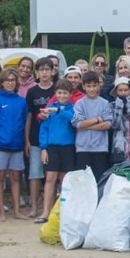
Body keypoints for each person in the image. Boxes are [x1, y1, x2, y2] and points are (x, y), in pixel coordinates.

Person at [0, 68, 28, 222]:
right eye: (7, 80)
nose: (10, 83)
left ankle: (17, 211)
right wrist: (0, 132)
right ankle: (1, 212)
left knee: (16, 177)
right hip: (0, 145)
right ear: (2, 82)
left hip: (17, 144)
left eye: (13, 80)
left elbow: (23, 121)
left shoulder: (21, 101)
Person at [35, 79, 76, 224]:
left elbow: (74, 120)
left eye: (65, 93)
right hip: (52, 147)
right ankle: (46, 211)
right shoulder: (50, 108)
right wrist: (43, 148)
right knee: (50, 179)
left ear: (70, 94)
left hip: (68, 147)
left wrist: (60, 111)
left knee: (65, 181)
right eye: (59, 93)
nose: (62, 95)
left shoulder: (73, 108)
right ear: (55, 93)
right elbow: (44, 129)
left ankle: (64, 210)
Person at [24, 57, 54, 219]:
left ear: (52, 71)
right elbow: (29, 116)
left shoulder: (57, 90)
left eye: (47, 69)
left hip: (54, 139)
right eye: (41, 70)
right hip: (35, 138)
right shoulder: (32, 92)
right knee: (35, 174)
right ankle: (34, 207)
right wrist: (27, 139)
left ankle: (49, 207)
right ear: (37, 72)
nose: (44, 73)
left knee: (52, 175)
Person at [71, 71, 112, 180]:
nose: (92, 89)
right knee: (83, 181)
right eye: (88, 86)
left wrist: (87, 126)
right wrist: (98, 119)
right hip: (82, 148)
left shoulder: (104, 103)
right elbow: (78, 123)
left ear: (99, 85)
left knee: (99, 180)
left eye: (94, 86)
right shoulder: (79, 103)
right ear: (83, 86)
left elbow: (108, 124)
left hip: (100, 148)